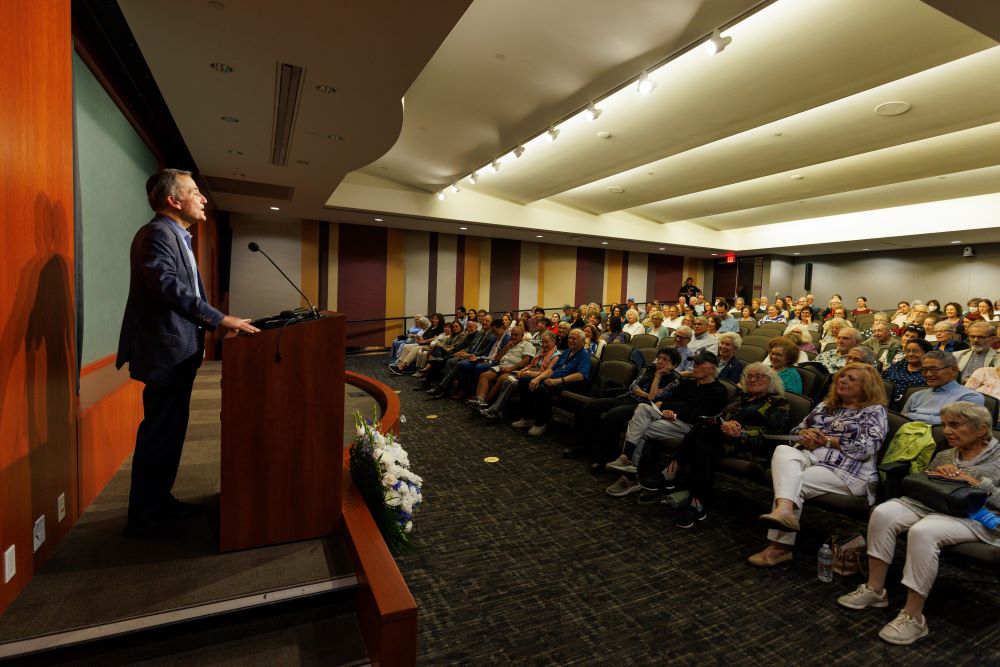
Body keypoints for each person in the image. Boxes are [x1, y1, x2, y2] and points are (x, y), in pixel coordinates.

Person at [117, 169, 260, 539]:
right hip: (164, 354)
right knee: (160, 434)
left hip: (178, 353)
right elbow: (167, 287)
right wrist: (218, 318)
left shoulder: (177, 236)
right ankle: (145, 518)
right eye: (194, 191)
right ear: (173, 200)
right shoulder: (156, 236)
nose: (203, 198)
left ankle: (159, 502)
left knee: (170, 433)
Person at [837, 402, 1000, 645]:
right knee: (884, 512)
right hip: (932, 505)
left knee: (924, 531)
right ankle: (875, 589)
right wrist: (935, 474)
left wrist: (977, 483)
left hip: (977, 516)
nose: (946, 431)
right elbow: (928, 485)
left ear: (981, 429)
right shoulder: (946, 453)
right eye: (945, 425)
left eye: (955, 425)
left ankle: (913, 616)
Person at [748, 364, 888, 567]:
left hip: (847, 471)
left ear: (866, 386)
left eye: (851, 379)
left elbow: (866, 447)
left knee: (793, 482)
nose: (843, 380)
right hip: (812, 458)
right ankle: (785, 511)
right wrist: (804, 434)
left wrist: (828, 441)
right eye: (842, 377)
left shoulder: (874, 411)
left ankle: (779, 548)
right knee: (783, 451)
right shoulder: (825, 405)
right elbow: (797, 429)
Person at [658, 363, 791, 528]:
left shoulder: (779, 402)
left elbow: (771, 435)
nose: (753, 379)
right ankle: (696, 503)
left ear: (771, 380)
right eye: (749, 376)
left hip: (752, 446)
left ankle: (670, 474)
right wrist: (725, 423)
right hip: (721, 439)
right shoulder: (741, 397)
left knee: (702, 436)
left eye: (759, 376)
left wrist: (741, 432)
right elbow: (720, 417)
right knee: (703, 437)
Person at [580, 347, 682, 472]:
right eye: (659, 358)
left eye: (665, 360)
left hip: (642, 408)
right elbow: (633, 387)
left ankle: (605, 458)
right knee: (591, 406)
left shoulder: (674, 381)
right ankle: (583, 446)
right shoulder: (648, 370)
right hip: (627, 399)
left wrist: (658, 377)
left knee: (613, 415)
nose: (660, 361)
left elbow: (652, 398)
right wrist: (645, 392)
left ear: (674, 365)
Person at [511, 328, 592, 437]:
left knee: (542, 388)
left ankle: (541, 423)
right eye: (569, 338)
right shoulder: (567, 352)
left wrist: (558, 381)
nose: (570, 341)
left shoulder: (584, 355)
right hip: (553, 379)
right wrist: (538, 378)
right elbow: (552, 370)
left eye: (574, 339)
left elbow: (580, 375)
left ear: (582, 341)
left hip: (569, 384)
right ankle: (528, 417)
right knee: (524, 380)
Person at [901, 350, 984, 424]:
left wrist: (912, 416)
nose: (928, 374)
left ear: (954, 370)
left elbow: (956, 425)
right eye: (924, 370)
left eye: (934, 370)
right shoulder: (916, 396)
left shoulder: (970, 397)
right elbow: (901, 421)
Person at [881, 338, 931, 406]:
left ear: (926, 353)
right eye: (907, 351)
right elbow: (880, 380)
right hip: (885, 401)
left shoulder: (929, 371)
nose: (910, 354)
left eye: (915, 351)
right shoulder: (898, 365)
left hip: (913, 405)